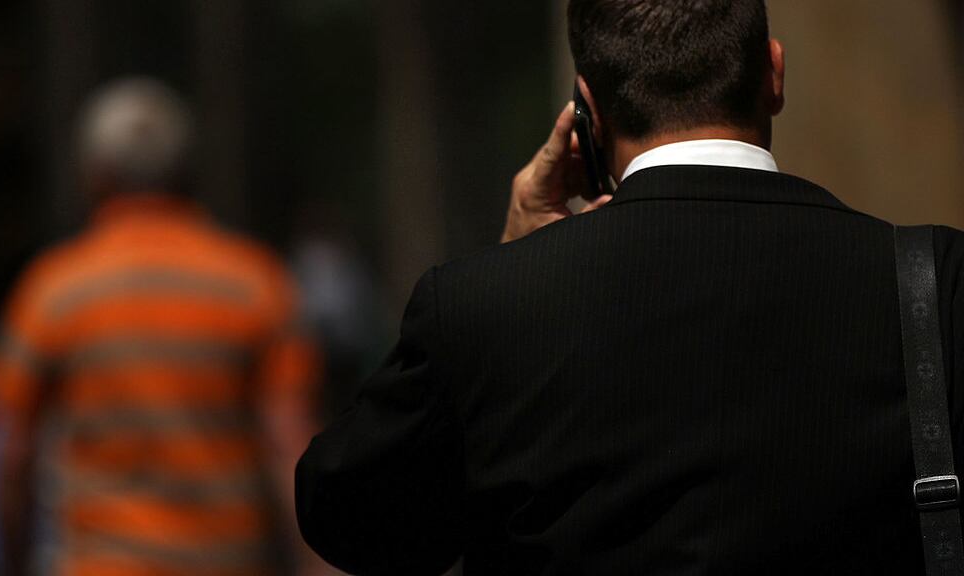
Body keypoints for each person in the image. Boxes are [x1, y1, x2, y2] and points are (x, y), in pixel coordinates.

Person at [295, 0, 964, 574]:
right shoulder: (935, 280)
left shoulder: (482, 306)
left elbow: (349, 519)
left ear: (585, 110)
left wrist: (511, 263)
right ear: (775, 72)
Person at [0, 78, 329, 576]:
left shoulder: (54, 292)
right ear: (187, 172)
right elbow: (291, 447)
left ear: (95, 176)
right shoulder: (254, 284)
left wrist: (11, 562)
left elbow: (12, 457)